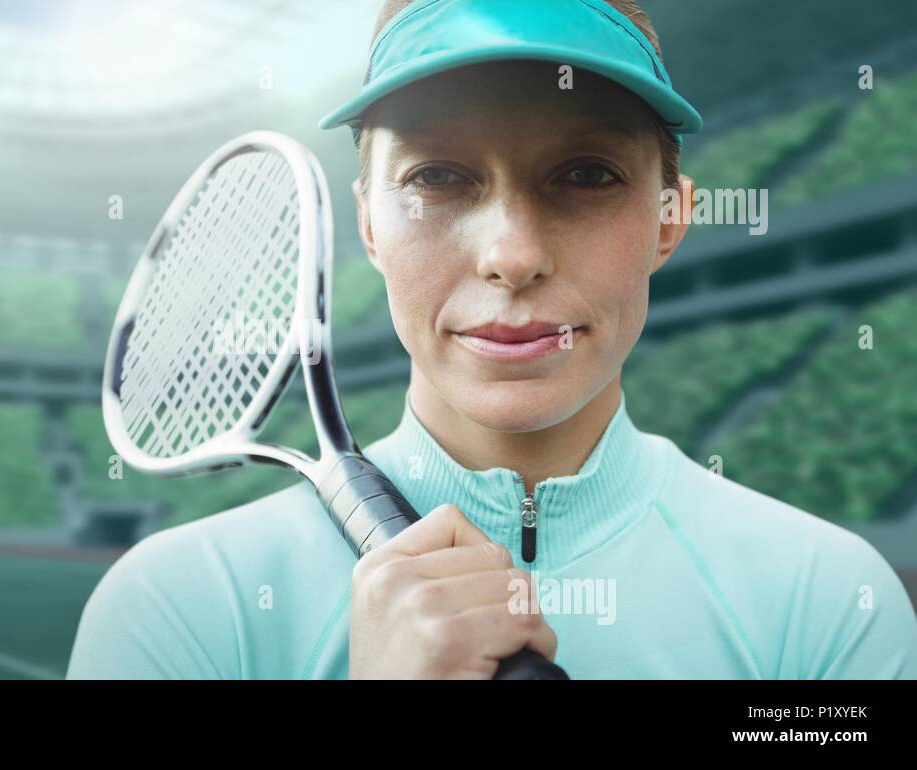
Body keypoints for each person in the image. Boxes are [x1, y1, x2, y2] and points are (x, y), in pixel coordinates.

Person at [67, 0, 917, 679]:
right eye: (437, 177)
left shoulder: (829, 603)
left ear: (670, 219)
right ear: (368, 224)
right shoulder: (176, 609)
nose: (512, 255)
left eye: (586, 175)